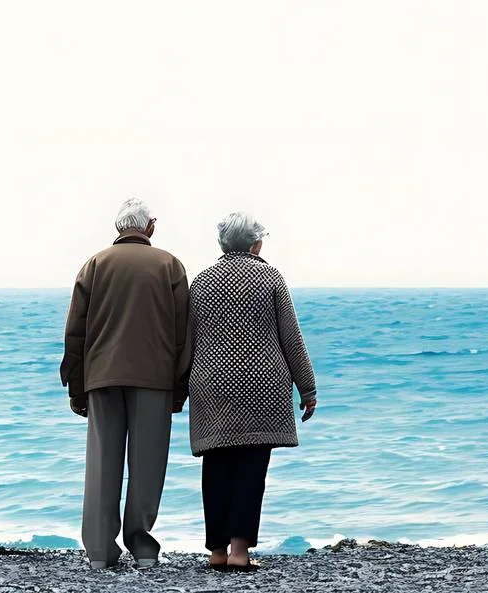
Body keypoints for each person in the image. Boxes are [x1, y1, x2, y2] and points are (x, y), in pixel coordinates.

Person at [61, 197, 193, 570]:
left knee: (102, 465)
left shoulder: (95, 265)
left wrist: (76, 385)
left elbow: (75, 332)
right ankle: (143, 548)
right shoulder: (169, 265)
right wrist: (179, 386)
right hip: (154, 377)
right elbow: (183, 333)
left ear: (119, 227)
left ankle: (100, 552)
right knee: (147, 466)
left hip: (101, 376)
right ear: (150, 226)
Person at [187, 211, 318, 572]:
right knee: (250, 470)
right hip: (262, 386)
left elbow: (188, 339)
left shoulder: (201, 282)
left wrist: (178, 388)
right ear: (255, 243)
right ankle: (240, 552)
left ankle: (217, 551)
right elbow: (291, 338)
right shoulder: (270, 277)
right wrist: (307, 388)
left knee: (215, 466)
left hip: (211, 385)